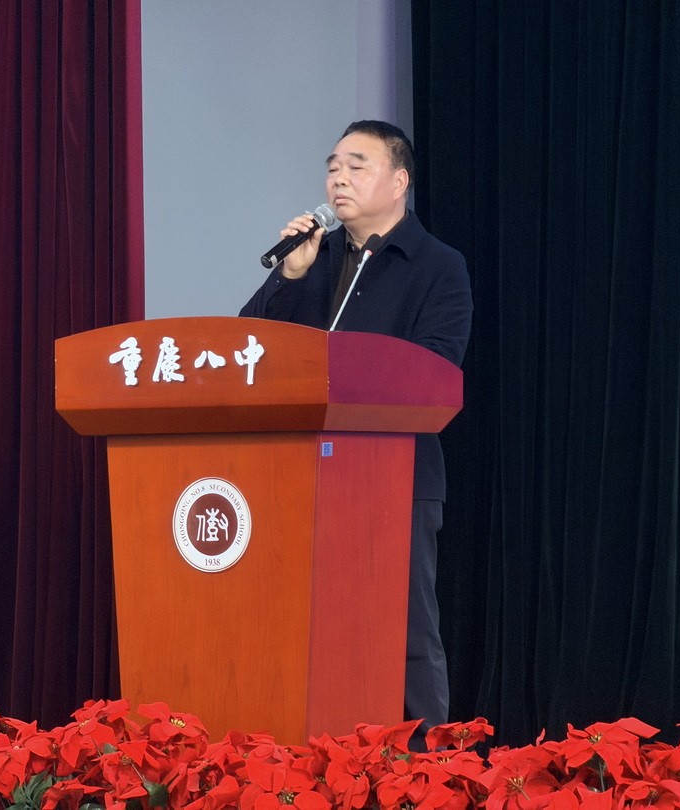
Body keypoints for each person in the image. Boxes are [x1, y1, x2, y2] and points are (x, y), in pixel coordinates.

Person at [240, 120, 473, 744]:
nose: (338, 178)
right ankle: (310, 755)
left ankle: (426, 765)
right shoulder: (310, 257)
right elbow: (250, 348)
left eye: (356, 166)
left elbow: (436, 369)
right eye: (332, 167)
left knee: (404, 628)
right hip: (302, 472)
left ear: (399, 182)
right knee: (306, 622)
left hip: (395, 475)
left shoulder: (438, 266)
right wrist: (289, 277)